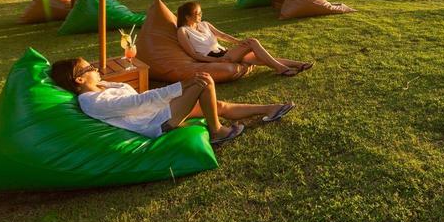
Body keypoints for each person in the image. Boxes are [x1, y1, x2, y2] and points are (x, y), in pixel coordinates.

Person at [50, 57, 295, 144]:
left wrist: (177, 91)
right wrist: (180, 87)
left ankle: (272, 108)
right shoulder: (93, 102)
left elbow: (139, 98)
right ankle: (218, 131)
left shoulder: (104, 85)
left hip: (159, 110)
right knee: (202, 82)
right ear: (80, 80)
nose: (95, 68)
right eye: (89, 67)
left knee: (216, 104)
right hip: (156, 123)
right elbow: (138, 103)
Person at [176, 1, 312, 77]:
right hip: (217, 56)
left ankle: (298, 64)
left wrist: (239, 42)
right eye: (197, 13)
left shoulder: (204, 24)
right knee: (253, 41)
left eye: (201, 12)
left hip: (226, 52)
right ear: (187, 17)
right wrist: (216, 60)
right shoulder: (183, 31)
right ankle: (281, 69)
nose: (200, 15)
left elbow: (222, 35)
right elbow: (193, 54)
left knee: (261, 58)